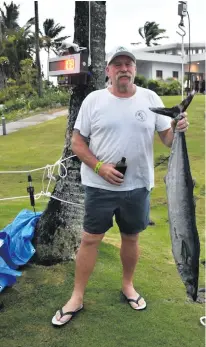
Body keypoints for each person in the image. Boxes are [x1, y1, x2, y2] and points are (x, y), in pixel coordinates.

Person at [52, 46, 189, 326]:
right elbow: (77, 142)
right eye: (118, 65)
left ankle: (128, 285)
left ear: (134, 70)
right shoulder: (94, 100)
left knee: (131, 238)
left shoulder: (150, 98)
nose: (123, 69)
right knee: (90, 239)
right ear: (108, 71)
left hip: (137, 187)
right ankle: (77, 296)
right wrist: (100, 167)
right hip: (99, 187)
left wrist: (179, 129)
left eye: (128, 64)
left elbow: (167, 139)